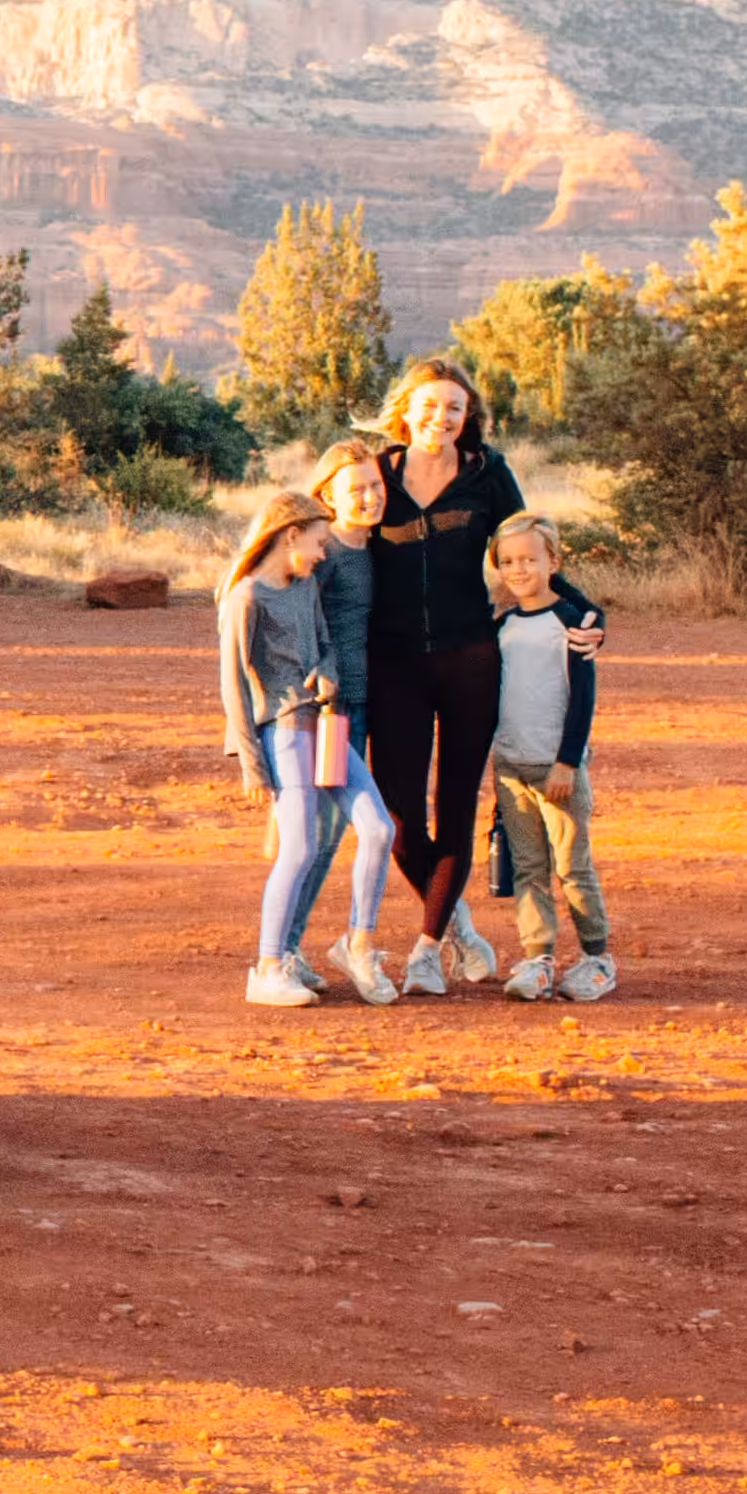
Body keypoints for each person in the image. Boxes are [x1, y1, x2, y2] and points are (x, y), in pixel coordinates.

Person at [355, 360, 529, 995]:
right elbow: (335, 541)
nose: (442, 418)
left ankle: (427, 950)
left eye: (454, 408)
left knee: (456, 806)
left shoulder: (488, 474)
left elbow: (524, 551)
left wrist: (574, 613)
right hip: (392, 663)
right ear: (406, 408)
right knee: (398, 819)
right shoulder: (375, 473)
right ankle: (456, 920)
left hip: (470, 660)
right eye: (430, 406)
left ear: (468, 415)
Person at [211, 483, 378, 1008]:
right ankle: (267, 968)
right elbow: (233, 684)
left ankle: (359, 944)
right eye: (317, 542)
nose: (323, 553)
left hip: (325, 725)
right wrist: (249, 763)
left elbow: (326, 646)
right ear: (289, 537)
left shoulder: (304, 587)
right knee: (300, 848)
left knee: (377, 828)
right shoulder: (245, 599)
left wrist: (326, 673)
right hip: (282, 733)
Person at [476, 514, 616, 1001]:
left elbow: (583, 698)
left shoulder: (573, 623)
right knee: (529, 867)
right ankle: (537, 958)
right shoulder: (502, 625)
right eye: (507, 561)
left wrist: (567, 762)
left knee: (572, 867)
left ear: (552, 562)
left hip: (557, 768)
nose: (518, 570)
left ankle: (597, 958)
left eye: (530, 560)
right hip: (510, 767)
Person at [303, 443, 414, 999]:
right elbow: (300, 624)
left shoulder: (386, 546)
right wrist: (323, 675)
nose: (369, 498)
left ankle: (306, 948)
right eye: (355, 490)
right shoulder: (321, 554)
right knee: (336, 833)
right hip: (332, 715)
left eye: (375, 486)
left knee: (349, 832)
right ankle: (330, 948)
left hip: (380, 705)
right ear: (328, 496)